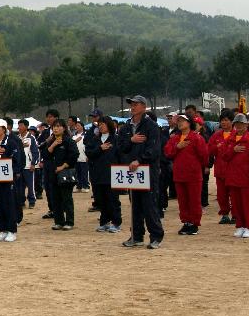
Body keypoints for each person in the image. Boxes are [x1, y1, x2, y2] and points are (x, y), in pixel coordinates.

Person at [118, 95, 165, 249]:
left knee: (149, 204)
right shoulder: (125, 127)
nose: (133, 107)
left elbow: (154, 149)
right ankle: (136, 236)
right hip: (131, 172)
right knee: (134, 205)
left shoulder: (151, 126)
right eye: (132, 104)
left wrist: (140, 160)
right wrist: (131, 140)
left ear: (144, 107)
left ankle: (156, 236)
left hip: (147, 170)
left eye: (136, 104)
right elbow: (121, 147)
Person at [219, 114, 249, 238]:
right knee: (236, 204)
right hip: (233, 177)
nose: (239, 126)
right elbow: (224, 156)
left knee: (248, 204)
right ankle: (240, 226)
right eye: (237, 124)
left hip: (246, 178)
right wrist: (233, 150)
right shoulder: (229, 139)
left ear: (246, 125)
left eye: (241, 124)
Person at [164, 114, 208, 235]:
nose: (180, 123)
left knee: (194, 200)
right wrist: (177, 147)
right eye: (178, 121)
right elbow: (167, 152)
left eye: (183, 120)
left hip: (193, 175)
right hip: (179, 174)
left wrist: (200, 167)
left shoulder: (196, 138)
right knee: (182, 201)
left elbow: (204, 156)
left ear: (189, 123)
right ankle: (186, 222)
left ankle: (194, 223)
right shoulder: (175, 139)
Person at [87, 116, 122, 232]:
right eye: (99, 124)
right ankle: (104, 221)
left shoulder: (116, 139)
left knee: (113, 199)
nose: (101, 126)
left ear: (110, 125)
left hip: (112, 173)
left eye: (103, 124)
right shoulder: (95, 139)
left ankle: (116, 222)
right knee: (101, 199)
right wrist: (100, 148)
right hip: (97, 173)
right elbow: (89, 153)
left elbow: (121, 155)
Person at [46, 120, 79, 230]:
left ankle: (69, 222)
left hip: (65, 174)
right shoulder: (51, 141)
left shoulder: (68, 141)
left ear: (64, 128)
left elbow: (74, 155)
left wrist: (64, 165)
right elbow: (45, 155)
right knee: (55, 198)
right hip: (53, 174)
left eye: (58, 126)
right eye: (54, 127)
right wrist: (53, 145)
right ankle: (58, 221)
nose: (56, 129)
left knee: (66, 198)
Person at [208, 110, 236, 225]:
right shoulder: (216, 135)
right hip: (220, 169)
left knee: (234, 194)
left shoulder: (237, 134)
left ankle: (236, 214)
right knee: (222, 194)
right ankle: (224, 214)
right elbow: (208, 150)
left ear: (231, 122)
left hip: (234, 170)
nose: (223, 123)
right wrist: (216, 147)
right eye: (222, 120)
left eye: (226, 120)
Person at [38, 109, 61, 219]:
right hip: (47, 163)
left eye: (51, 116)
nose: (49, 119)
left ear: (56, 118)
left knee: (57, 187)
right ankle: (52, 209)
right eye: (47, 117)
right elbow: (40, 147)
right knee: (47, 186)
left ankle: (60, 209)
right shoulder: (45, 132)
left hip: (58, 164)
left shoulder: (63, 132)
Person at [18, 122, 39, 209]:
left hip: (28, 165)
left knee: (30, 185)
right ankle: (21, 201)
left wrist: (33, 163)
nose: (19, 127)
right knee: (20, 186)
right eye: (19, 126)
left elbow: (35, 152)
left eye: (21, 125)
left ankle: (32, 201)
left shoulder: (31, 137)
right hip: (19, 166)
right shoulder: (17, 138)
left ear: (26, 127)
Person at [72, 121, 90, 192]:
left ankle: (86, 186)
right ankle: (78, 186)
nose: (77, 127)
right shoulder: (74, 136)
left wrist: (88, 155)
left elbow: (88, 146)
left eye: (78, 125)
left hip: (84, 156)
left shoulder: (86, 135)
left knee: (84, 173)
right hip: (76, 157)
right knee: (77, 173)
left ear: (82, 126)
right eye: (76, 126)